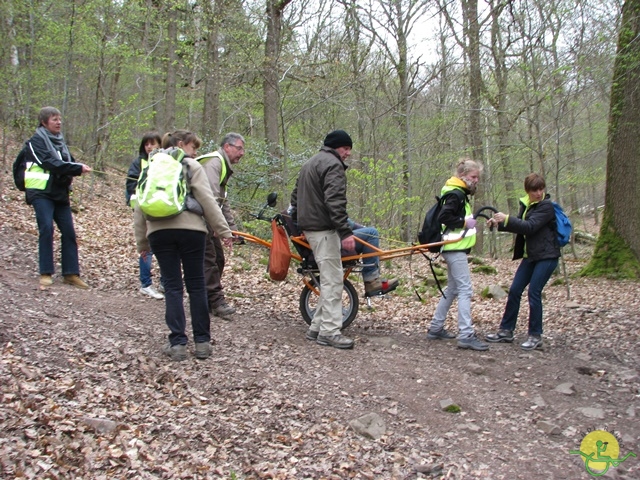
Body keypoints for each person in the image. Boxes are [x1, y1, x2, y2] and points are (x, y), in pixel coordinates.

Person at [134, 130, 233, 361]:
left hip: (159, 231)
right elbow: (208, 199)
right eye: (193, 147)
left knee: (172, 287)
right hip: (192, 230)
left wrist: (142, 241)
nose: (196, 152)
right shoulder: (190, 166)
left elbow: (139, 205)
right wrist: (223, 230)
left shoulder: (150, 166)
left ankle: (177, 343)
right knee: (196, 285)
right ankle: (202, 343)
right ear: (181, 146)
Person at [289, 129, 359, 349]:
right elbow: (335, 201)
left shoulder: (310, 163)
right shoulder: (333, 165)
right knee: (333, 280)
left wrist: (300, 222)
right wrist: (345, 232)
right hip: (324, 230)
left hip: (311, 229)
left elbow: (294, 198)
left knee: (330, 279)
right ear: (336, 146)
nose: (347, 153)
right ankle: (330, 331)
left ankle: (317, 327)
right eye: (345, 148)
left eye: (349, 149)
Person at [485, 173, 560, 350]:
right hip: (532, 256)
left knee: (534, 292)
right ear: (528, 190)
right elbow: (520, 227)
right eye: (535, 190)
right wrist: (499, 224)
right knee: (515, 290)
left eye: (541, 189)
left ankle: (535, 335)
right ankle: (506, 330)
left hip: (547, 256)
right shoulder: (527, 205)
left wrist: (507, 218)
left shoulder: (546, 207)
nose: (539, 193)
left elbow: (530, 227)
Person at [23, 106, 93, 289]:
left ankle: (71, 273)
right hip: (41, 192)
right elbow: (49, 162)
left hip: (60, 193)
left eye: (59, 119)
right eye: (54, 119)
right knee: (46, 228)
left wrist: (77, 168)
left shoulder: (61, 142)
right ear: (44, 122)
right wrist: (76, 168)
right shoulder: (35, 141)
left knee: (69, 232)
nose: (58, 122)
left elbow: (67, 161)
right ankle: (45, 272)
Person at [426, 158, 489, 351]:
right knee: (465, 290)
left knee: (453, 288)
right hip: (454, 247)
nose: (476, 180)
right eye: (473, 176)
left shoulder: (457, 192)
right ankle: (466, 334)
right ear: (463, 176)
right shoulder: (456, 194)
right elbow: (445, 217)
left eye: (477, 177)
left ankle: (436, 327)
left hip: (454, 247)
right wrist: (464, 223)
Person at [195, 132, 245, 318]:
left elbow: (223, 201)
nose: (242, 153)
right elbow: (210, 200)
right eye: (239, 148)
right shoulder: (214, 163)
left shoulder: (222, 165)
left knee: (218, 259)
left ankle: (206, 298)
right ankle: (215, 301)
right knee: (209, 260)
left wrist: (231, 229)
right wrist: (218, 227)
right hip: (199, 219)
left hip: (208, 219)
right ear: (227, 147)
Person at [125, 131, 164, 300]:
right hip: (143, 210)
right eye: (147, 144)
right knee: (146, 247)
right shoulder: (138, 163)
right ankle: (146, 283)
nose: (149, 147)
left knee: (163, 247)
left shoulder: (164, 162)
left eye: (153, 143)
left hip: (162, 209)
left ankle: (165, 281)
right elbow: (131, 185)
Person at [347, 219, 399, 296]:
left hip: (333, 236)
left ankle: (372, 279)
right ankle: (371, 281)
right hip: (334, 239)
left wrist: (364, 229)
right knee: (372, 232)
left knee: (371, 233)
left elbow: (346, 222)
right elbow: (339, 217)